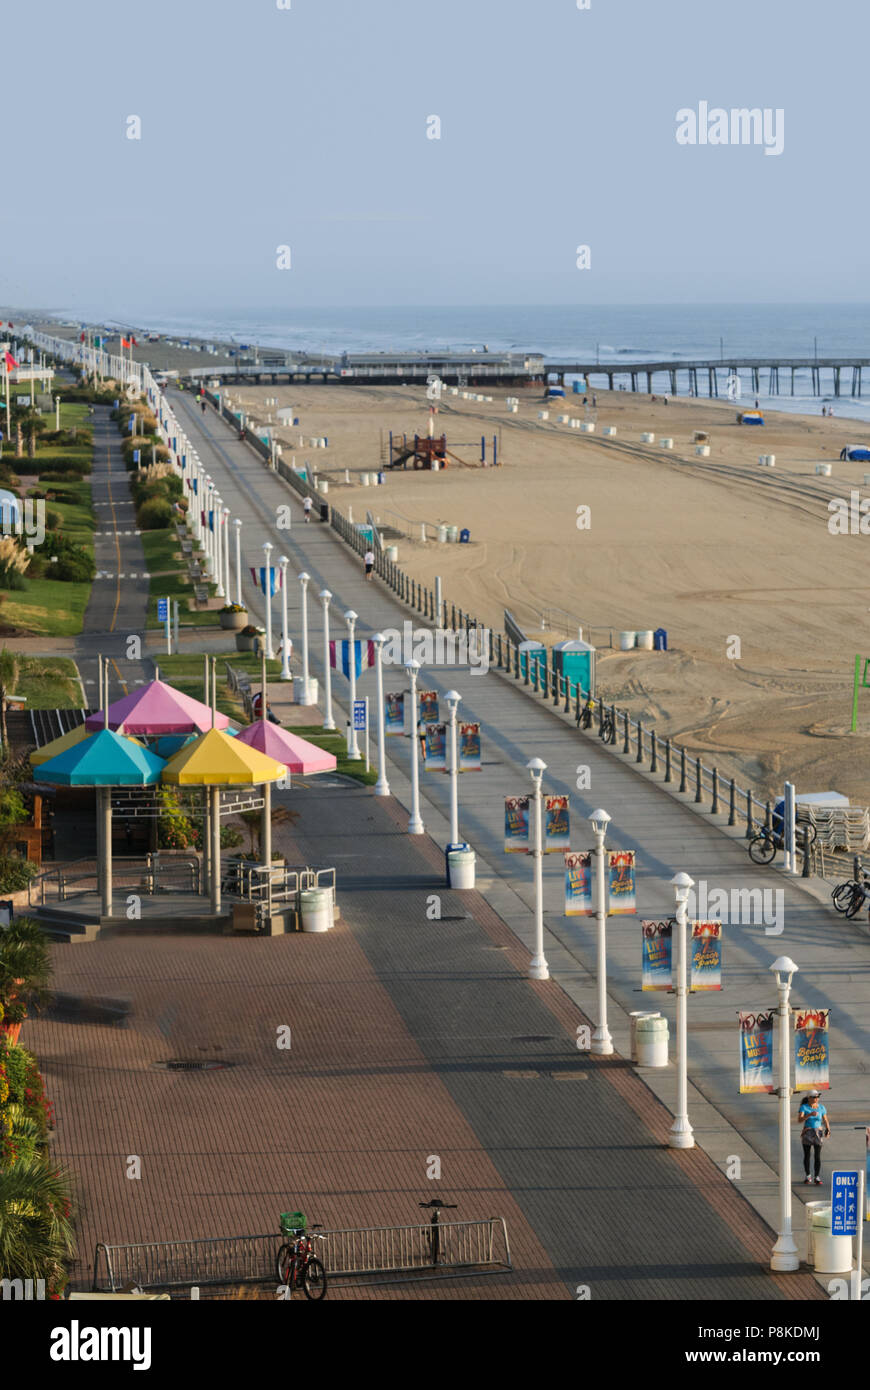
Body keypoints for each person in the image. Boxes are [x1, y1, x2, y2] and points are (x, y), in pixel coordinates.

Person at [796, 1090, 830, 1185]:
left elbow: (825, 1120)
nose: (816, 1099)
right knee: (807, 1155)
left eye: (817, 1097)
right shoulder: (804, 1107)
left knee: (817, 1156)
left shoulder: (821, 1107)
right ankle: (808, 1176)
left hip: (818, 1132)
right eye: (814, 1097)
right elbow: (799, 1120)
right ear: (809, 1098)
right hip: (808, 1132)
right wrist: (810, 1115)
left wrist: (828, 1129)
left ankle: (817, 1177)